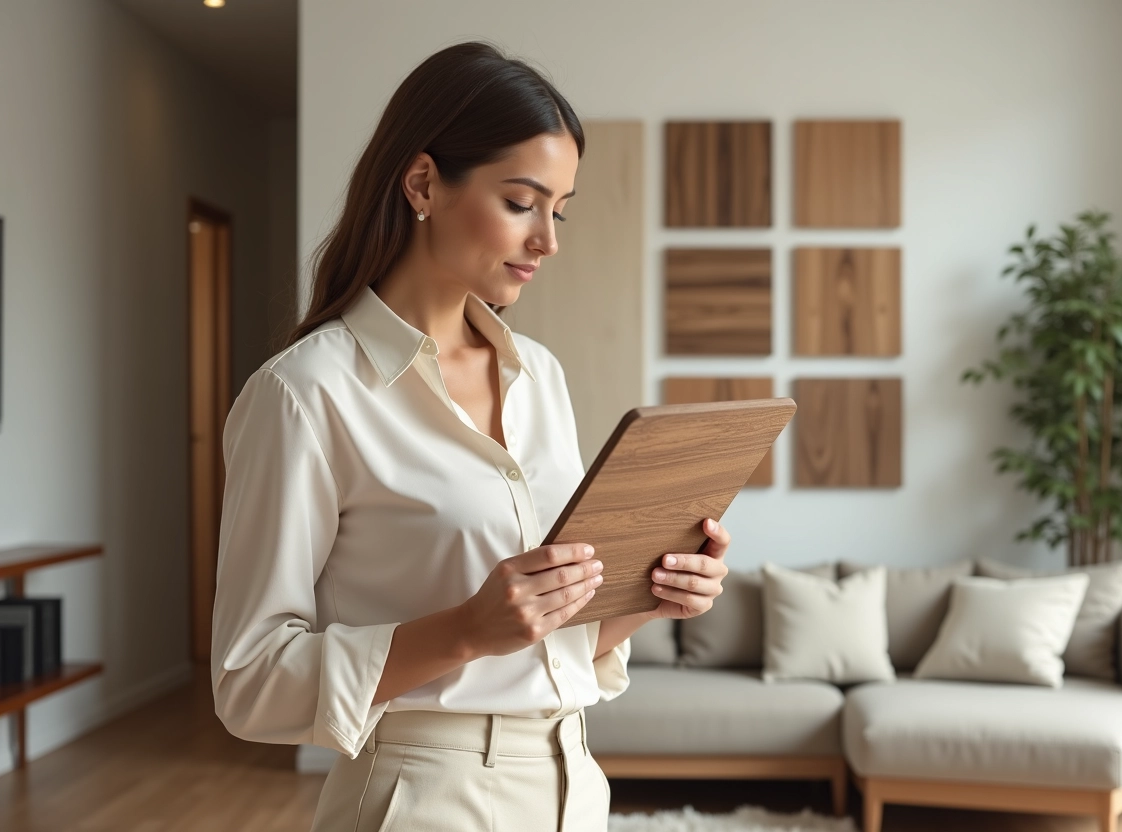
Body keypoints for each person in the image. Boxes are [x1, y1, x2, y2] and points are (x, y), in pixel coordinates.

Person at [210, 40, 732, 832]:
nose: (548, 240)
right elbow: (248, 683)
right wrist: (461, 630)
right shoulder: (304, 394)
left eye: (560, 210)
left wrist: (650, 598)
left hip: (573, 784)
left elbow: (548, 642)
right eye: (523, 203)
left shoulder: (542, 378)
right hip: (424, 799)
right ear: (422, 183)